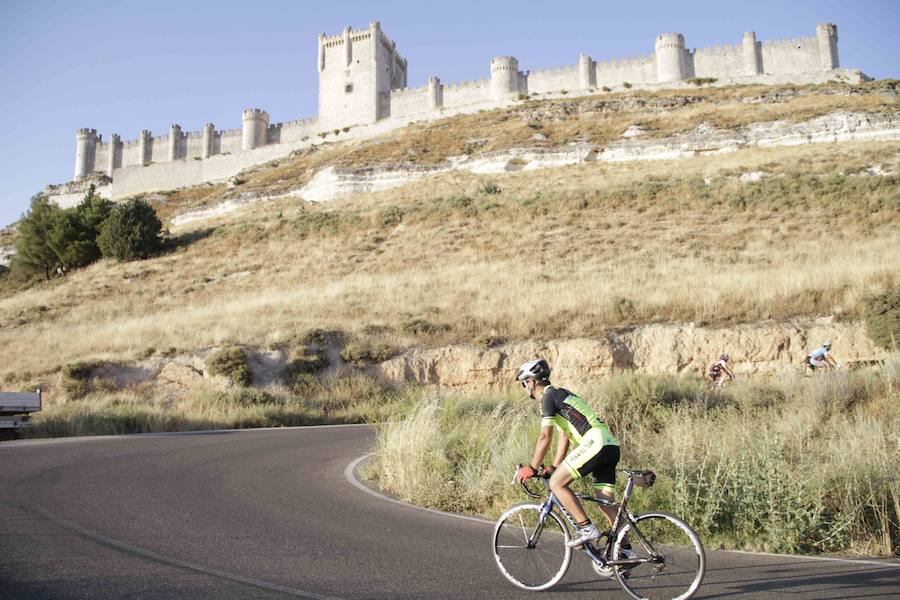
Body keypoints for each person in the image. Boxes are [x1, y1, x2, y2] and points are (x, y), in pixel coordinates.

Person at [514, 359, 628, 552]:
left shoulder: (547, 398)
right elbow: (564, 435)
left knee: (556, 484)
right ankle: (625, 551)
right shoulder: (563, 394)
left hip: (595, 442)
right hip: (610, 444)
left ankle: (586, 529)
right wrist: (555, 466)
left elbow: (544, 436)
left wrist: (532, 468)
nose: (525, 388)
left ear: (532, 382)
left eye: (524, 383)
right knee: (607, 504)